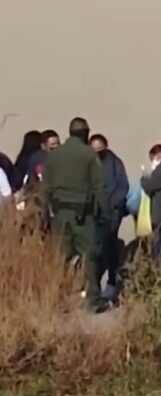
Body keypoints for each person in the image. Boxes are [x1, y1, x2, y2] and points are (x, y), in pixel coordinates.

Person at [44, 117, 110, 313]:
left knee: (60, 257)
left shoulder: (55, 155)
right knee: (89, 255)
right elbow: (99, 187)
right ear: (86, 133)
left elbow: (45, 186)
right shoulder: (89, 155)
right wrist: (106, 213)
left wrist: (48, 212)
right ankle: (92, 300)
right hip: (83, 215)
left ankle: (57, 298)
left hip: (59, 212)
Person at [89, 134, 129, 297]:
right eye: (94, 150)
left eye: (100, 149)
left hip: (111, 212)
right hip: (93, 212)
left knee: (110, 245)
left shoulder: (115, 163)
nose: (97, 153)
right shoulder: (88, 163)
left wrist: (112, 204)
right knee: (94, 248)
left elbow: (122, 186)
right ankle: (93, 283)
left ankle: (112, 280)